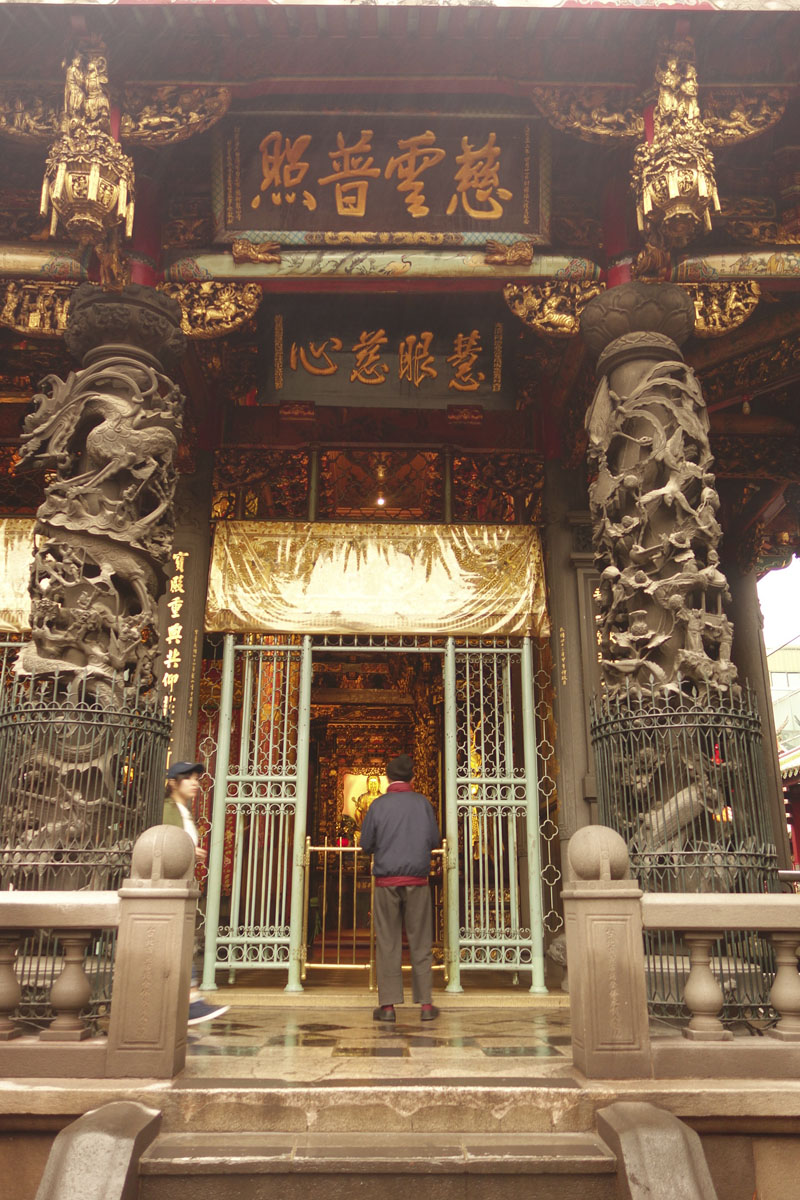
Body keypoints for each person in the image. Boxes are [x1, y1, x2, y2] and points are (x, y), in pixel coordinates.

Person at [359, 753, 441, 1022]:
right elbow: (433, 839)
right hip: (418, 880)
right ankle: (426, 1005)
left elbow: (367, 843)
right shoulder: (423, 804)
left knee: (388, 942)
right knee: (420, 941)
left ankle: (388, 1006)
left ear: (387, 778)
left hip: (386, 881)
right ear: (413, 777)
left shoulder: (378, 806)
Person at [164, 761, 230, 1027]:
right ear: (172, 782)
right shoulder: (169, 810)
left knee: (179, 945)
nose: (195, 783)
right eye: (188, 778)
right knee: (179, 944)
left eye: (196, 779)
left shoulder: (182, 811)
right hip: (169, 889)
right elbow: (165, 843)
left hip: (180, 886)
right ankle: (192, 1002)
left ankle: (190, 1002)